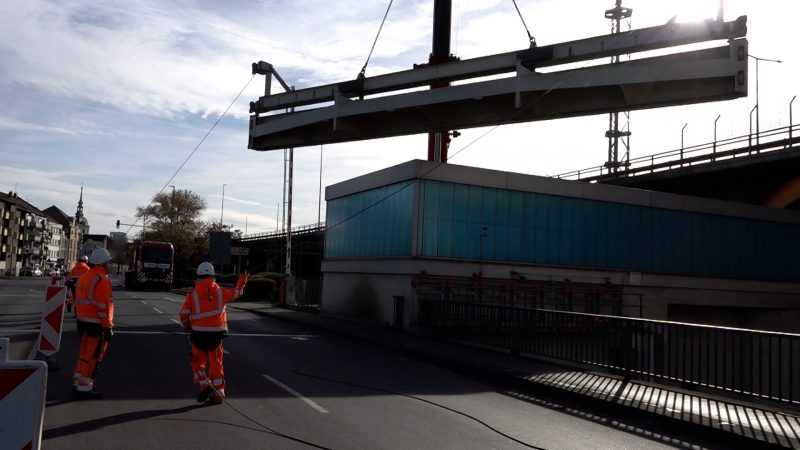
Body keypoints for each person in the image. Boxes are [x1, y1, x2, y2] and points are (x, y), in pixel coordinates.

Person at [180, 262, 248, 405]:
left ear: (198, 275)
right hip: (217, 335)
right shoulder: (221, 292)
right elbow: (237, 293)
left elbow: (183, 314)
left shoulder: (192, 295)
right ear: (213, 275)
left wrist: (187, 327)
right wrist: (242, 281)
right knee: (217, 362)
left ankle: (205, 385)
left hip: (198, 334)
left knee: (197, 362)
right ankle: (219, 394)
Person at [72, 248, 115, 399]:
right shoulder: (101, 279)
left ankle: (78, 382)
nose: (110, 264)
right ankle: (84, 389)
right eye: (109, 262)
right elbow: (103, 307)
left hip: (82, 322)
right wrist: (108, 327)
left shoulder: (85, 276)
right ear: (103, 263)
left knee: (84, 354)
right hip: (96, 324)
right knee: (93, 357)